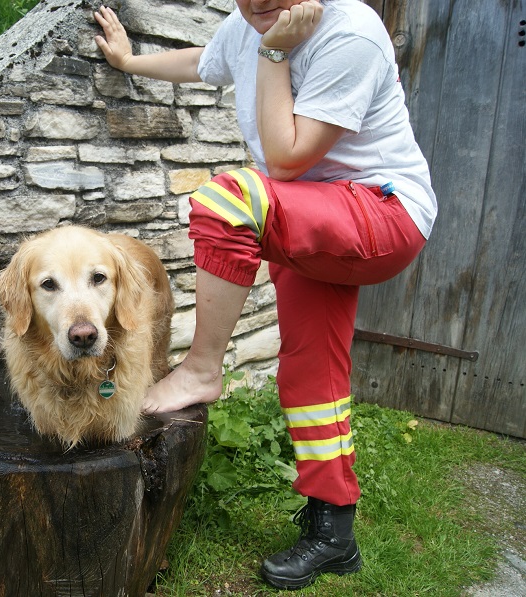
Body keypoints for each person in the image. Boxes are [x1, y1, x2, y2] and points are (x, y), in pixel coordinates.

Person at [94, 0, 437, 590]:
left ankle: (201, 370)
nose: (255, 3)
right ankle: (334, 535)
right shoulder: (247, 24)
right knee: (310, 375)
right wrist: (130, 61)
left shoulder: (350, 31)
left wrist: (277, 50)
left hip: (384, 213)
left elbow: (284, 157)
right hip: (313, 216)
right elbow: (207, 59)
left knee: (228, 201)